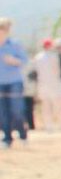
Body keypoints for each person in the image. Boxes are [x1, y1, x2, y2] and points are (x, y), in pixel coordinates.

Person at [0, 17, 29, 148]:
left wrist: (13, 61)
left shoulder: (14, 44)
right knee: (2, 112)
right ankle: (7, 138)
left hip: (14, 81)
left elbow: (24, 61)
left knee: (16, 110)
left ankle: (22, 134)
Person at [32, 38, 61, 131]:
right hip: (54, 83)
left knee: (46, 106)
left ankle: (49, 126)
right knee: (58, 105)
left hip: (42, 84)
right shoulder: (54, 56)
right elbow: (57, 70)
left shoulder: (38, 57)